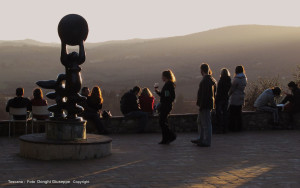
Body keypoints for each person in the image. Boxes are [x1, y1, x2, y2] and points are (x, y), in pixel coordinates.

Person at [191, 63, 216, 147]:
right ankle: (201, 138)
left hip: (205, 105)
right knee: (200, 121)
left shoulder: (205, 80)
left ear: (202, 70)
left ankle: (206, 141)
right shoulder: (210, 79)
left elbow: (204, 95)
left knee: (206, 124)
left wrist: (201, 105)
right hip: (206, 104)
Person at [155, 70, 177, 144]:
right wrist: (158, 92)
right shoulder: (169, 84)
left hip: (166, 106)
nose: (162, 78)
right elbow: (165, 95)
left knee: (162, 122)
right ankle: (166, 138)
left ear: (165, 76)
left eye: (162, 76)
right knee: (163, 122)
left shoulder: (168, 85)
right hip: (166, 105)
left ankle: (171, 136)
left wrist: (165, 100)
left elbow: (168, 96)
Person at [228, 66, 247, 132]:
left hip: (235, 97)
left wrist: (228, 95)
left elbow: (232, 89)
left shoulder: (236, 79)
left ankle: (232, 128)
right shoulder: (244, 78)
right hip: (241, 96)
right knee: (239, 113)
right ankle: (239, 127)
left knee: (232, 113)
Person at [215, 68, 231, 134]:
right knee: (225, 114)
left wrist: (216, 100)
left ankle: (220, 129)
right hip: (226, 98)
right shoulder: (229, 81)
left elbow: (218, 91)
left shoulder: (221, 81)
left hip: (220, 99)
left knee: (219, 114)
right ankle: (225, 129)